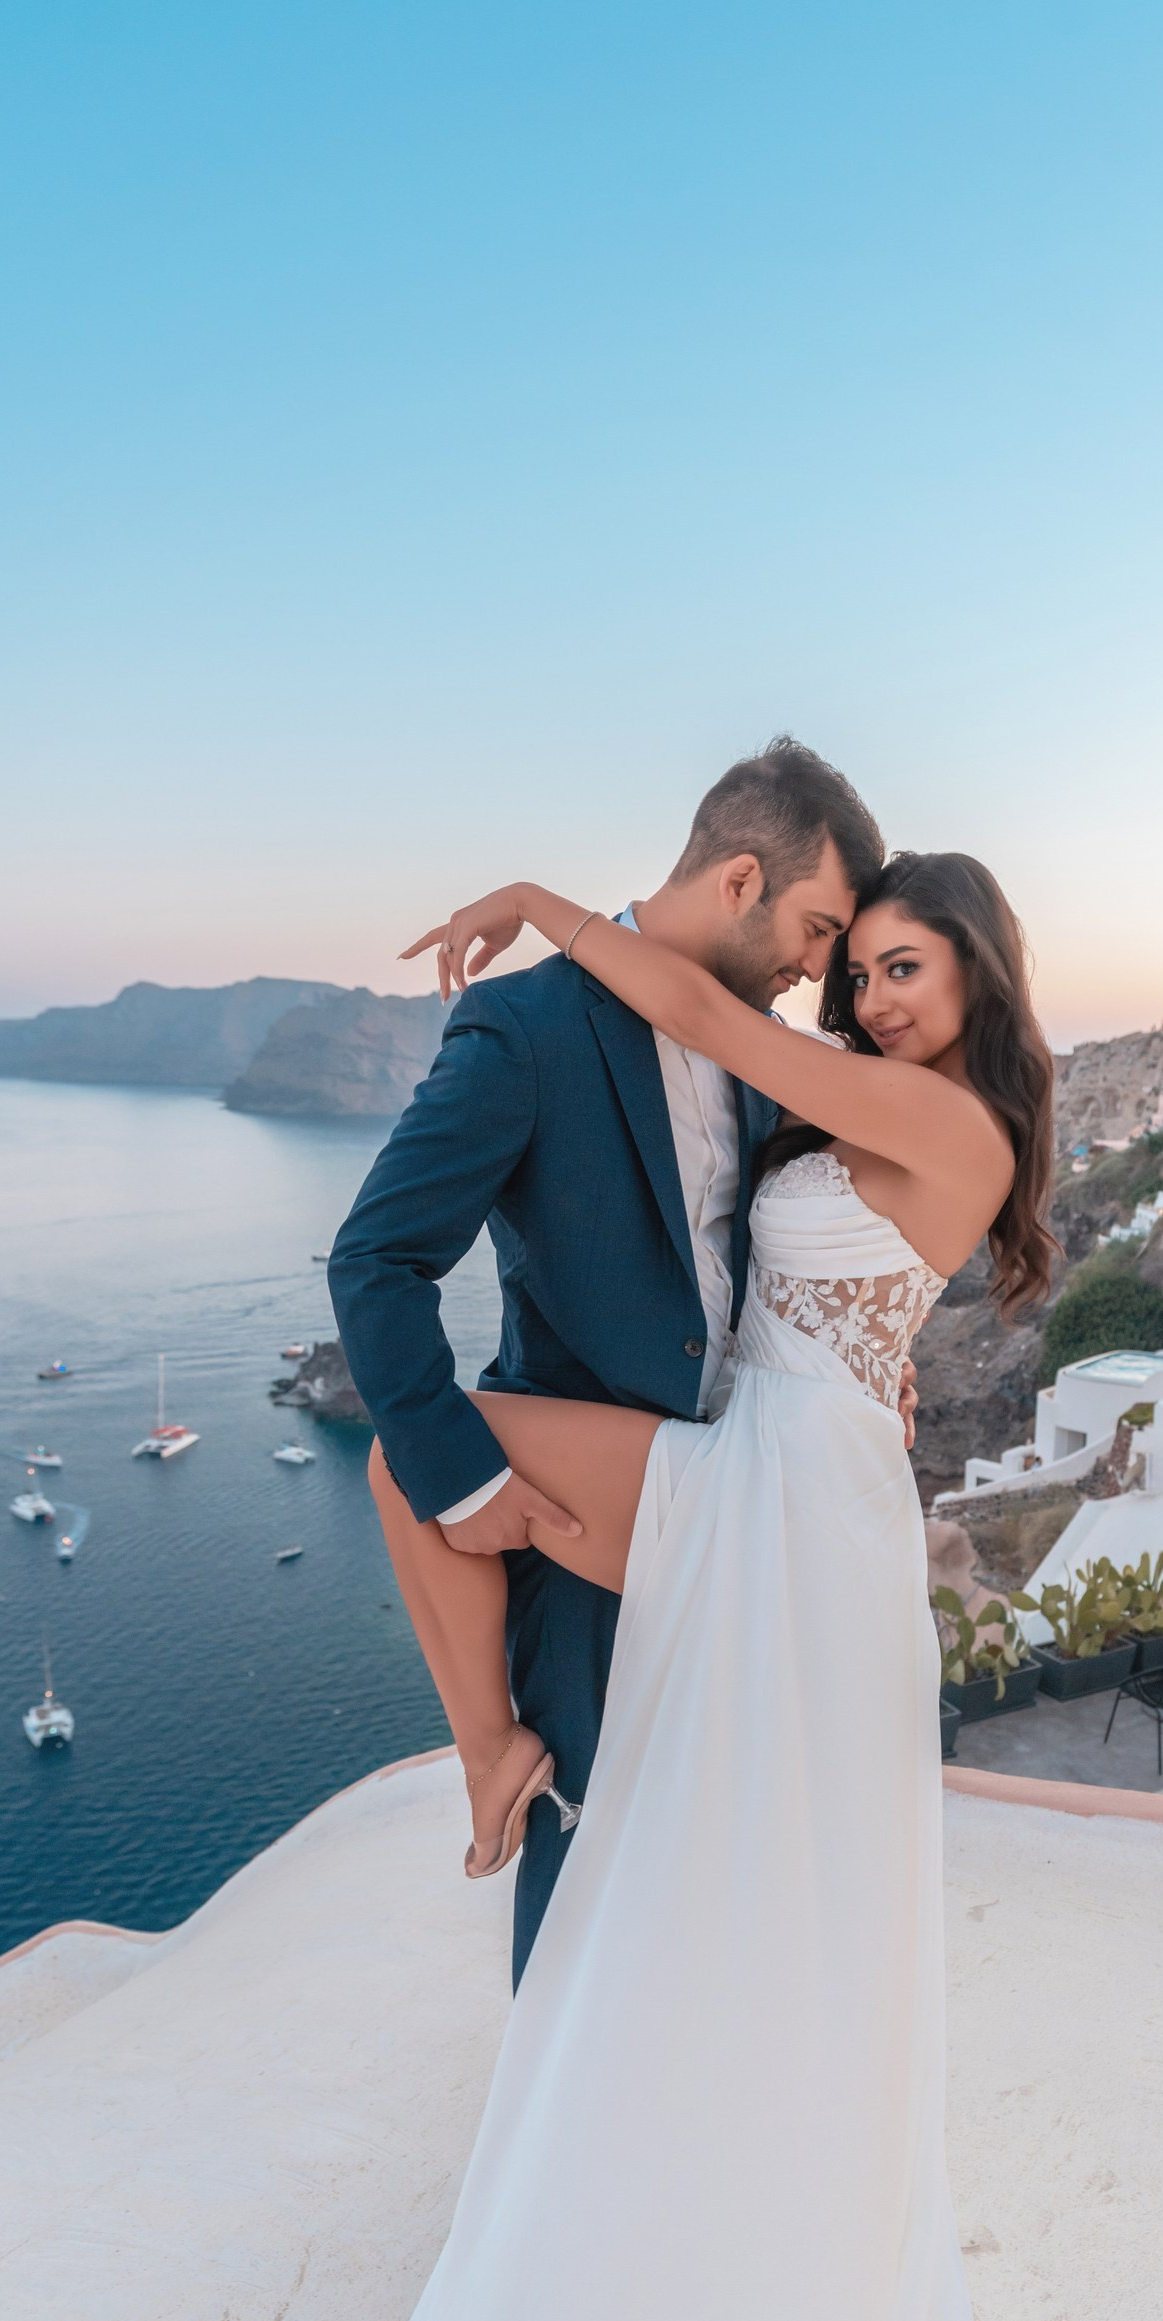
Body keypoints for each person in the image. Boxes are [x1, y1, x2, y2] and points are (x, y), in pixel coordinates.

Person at [259, 846, 1056, 2321]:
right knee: (456, 1494)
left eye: (904, 968)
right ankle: (500, 1762)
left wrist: (539, 902)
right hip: (763, 1461)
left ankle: (494, 1761)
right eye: (860, 972)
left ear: (982, 976)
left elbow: (695, 1004)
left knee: (428, 1466)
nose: (870, 997)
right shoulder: (863, 1113)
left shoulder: (957, 1126)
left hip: (788, 1493)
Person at [324, 738, 887, 1979]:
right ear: (741, 879)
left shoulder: (753, 1046)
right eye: (815, 925)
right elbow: (374, 1261)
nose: (816, 966)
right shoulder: (526, 1026)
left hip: (738, 1506)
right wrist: (465, 1484)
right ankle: (551, 2153)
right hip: (577, 1530)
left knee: (708, 1864)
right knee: (576, 1876)